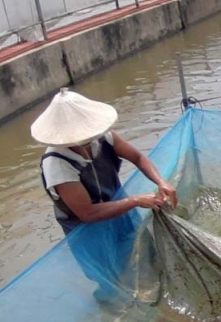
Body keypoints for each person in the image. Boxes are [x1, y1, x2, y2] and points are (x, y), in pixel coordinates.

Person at [32, 88, 177, 234]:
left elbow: (137, 158)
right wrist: (135, 201)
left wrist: (160, 181)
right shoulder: (57, 164)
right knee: (114, 257)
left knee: (142, 247)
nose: (87, 138)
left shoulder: (102, 137)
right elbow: (87, 213)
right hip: (88, 232)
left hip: (119, 208)